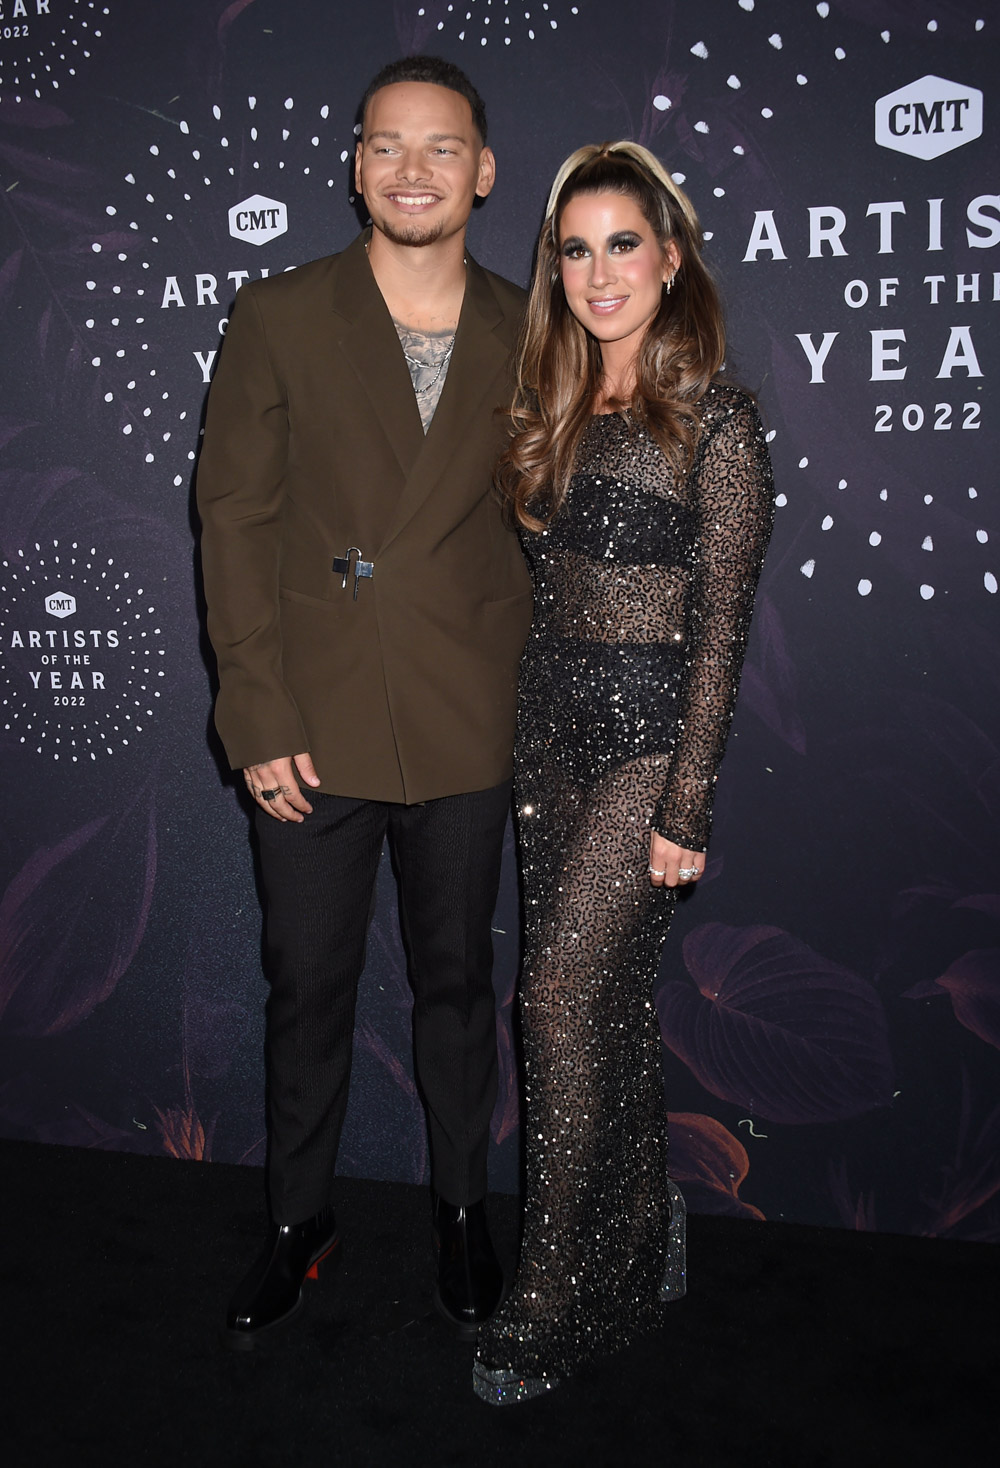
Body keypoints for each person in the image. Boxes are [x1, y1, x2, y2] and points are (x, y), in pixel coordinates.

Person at [196, 56, 532, 1350]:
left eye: (440, 148)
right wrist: (256, 713)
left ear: (483, 171)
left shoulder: (530, 325)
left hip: (464, 715)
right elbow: (232, 520)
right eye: (386, 146)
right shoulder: (279, 313)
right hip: (313, 724)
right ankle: (299, 1221)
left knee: (458, 986)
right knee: (307, 983)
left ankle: (461, 1211)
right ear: (353, 166)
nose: (411, 170)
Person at [472, 142, 774, 1403]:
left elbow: (721, 626)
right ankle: (645, 1234)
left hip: (649, 741)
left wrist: (685, 802)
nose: (598, 271)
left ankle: (553, 1290)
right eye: (574, 247)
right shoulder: (542, 404)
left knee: (549, 995)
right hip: (547, 735)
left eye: (623, 243)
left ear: (672, 255)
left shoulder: (717, 420)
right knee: (597, 1006)